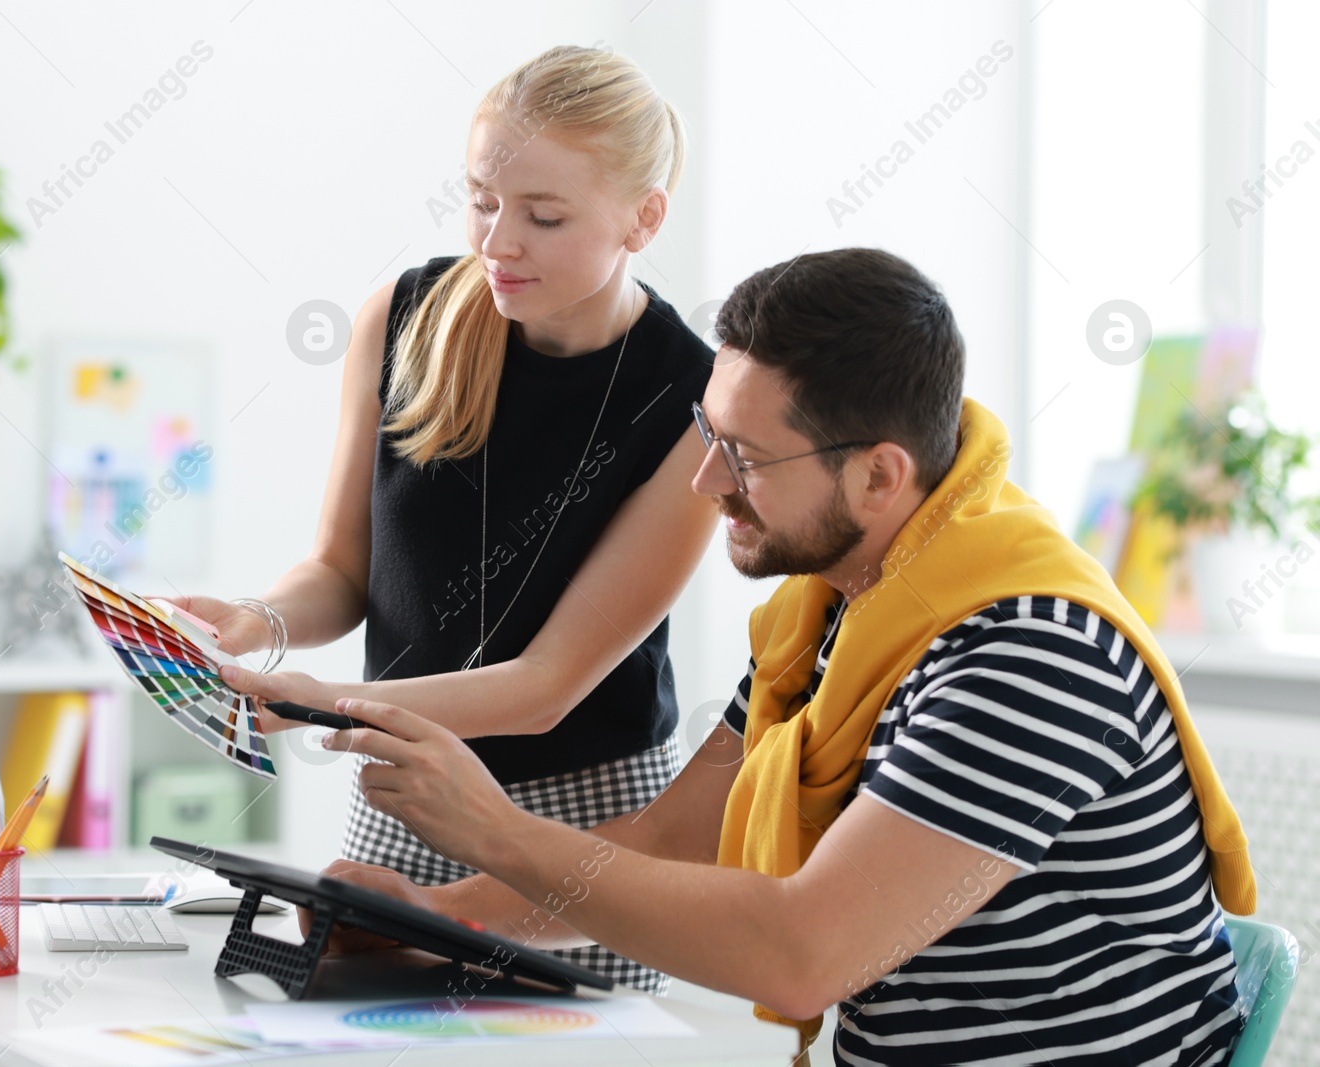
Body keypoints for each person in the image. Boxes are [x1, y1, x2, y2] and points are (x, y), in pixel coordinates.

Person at [309, 248, 1256, 1064]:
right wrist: (437, 917)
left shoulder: (1028, 656)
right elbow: (681, 833)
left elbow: (802, 951)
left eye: (746, 456)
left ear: (880, 475)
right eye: (710, 433)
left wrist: (494, 829)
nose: (705, 480)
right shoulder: (837, 608)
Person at [177, 45, 717, 992]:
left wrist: (315, 706)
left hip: (579, 825)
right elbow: (343, 571)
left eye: (544, 216)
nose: (497, 242)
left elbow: (546, 685)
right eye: (482, 200)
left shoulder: (695, 401)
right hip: (398, 797)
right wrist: (255, 624)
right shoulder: (405, 314)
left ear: (645, 217)